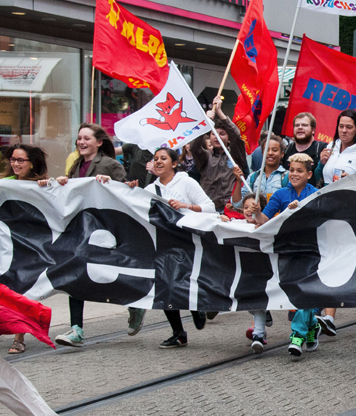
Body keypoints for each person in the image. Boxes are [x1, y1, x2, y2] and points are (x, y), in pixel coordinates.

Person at [51, 123, 137, 348]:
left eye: (86, 138)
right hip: (81, 230)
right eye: (79, 138)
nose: (81, 142)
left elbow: (127, 192)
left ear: (99, 143)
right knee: (75, 275)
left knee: (106, 274)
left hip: (104, 230)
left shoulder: (109, 164)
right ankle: (76, 329)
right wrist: (63, 183)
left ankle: (136, 302)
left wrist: (111, 184)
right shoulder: (76, 165)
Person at [138, 148, 215, 348]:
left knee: (184, 281)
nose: (158, 161)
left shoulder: (186, 182)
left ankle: (196, 307)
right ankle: (178, 333)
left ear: (174, 163)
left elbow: (210, 208)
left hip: (187, 241)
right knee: (164, 286)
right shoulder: (149, 190)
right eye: (155, 159)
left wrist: (185, 206)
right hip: (163, 244)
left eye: (163, 158)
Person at [248, 153, 322, 358]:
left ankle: (297, 335)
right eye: (291, 170)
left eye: (299, 171)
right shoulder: (280, 194)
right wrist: (256, 212)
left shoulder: (316, 194)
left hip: (309, 251)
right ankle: (313, 325)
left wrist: (300, 210)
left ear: (309, 174)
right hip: (286, 251)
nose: (294, 174)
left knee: (303, 292)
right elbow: (264, 220)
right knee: (294, 290)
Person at [314, 109, 356, 335]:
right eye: (341, 126)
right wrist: (321, 163)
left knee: (351, 261)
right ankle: (327, 317)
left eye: (349, 127)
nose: (344, 131)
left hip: (353, 216)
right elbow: (320, 178)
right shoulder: (331, 148)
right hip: (328, 213)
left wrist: (353, 181)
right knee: (329, 261)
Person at [2, 144, 49, 354]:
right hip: (6, 245)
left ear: (32, 163)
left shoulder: (42, 185)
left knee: (21, 290)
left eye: (20, 160)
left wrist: (54, 185)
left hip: (29, 247)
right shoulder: (5, 183)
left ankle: (19, 337)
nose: (15, 163)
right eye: (13, 159)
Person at [190, 98, 248, 211]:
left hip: (231, 209)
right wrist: (205, 121)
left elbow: (237, 137)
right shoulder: (205, 156)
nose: (217, 137)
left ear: (228, 138)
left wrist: (220, 112)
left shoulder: (236, 156)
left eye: (222, 134)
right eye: (214, 134)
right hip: (209, 209)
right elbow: (194, 147)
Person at [233, 134, 288, 208]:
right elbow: (237, 204)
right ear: (262, 153)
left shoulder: (288, 177)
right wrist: (239, 182)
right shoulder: (253, 177)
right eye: (266, 150)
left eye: (274, 150)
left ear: (282, 154)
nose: (270, 153)